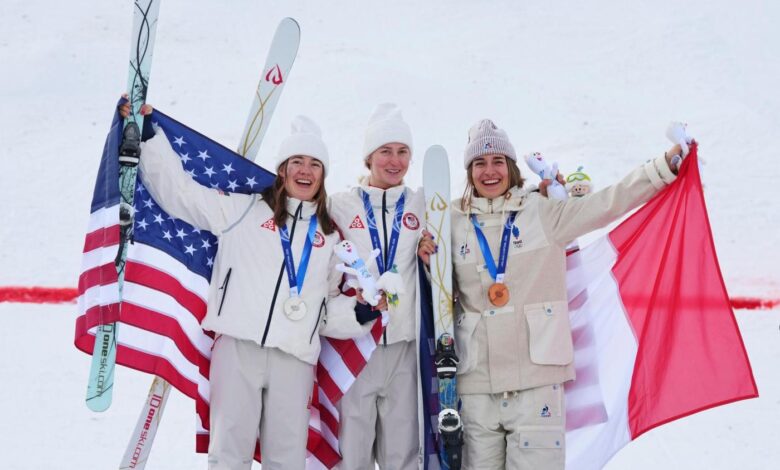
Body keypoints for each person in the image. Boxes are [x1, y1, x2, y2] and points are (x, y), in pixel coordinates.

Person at [119, 102, 376, 470]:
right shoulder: (244, 210)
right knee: (229, 454)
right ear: (282, 170)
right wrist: (148, 137)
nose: (305, 171)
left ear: (323, 175)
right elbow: (182, 195)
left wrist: (358, 314)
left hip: (295, 360)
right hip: (238, 349)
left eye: (314, 164)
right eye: (297, 162)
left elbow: (324, 309)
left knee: (287, 459)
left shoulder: (329, 237)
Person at [418, 118, 683, 469]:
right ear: (469, 172)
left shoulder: (543, 212)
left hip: (536, 382)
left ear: (511, 168)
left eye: (498, 161)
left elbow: (608, 203)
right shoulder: (450, 221)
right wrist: (425, 260)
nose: (489, 171)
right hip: (476, 385)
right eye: (479, 164)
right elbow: (440, 296)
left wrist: (663, 167)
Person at [329, 103, 426, 469]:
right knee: (351, 453)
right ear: (369, 157)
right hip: (355, 348)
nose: (395, 161)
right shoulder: (340, 205)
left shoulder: (423, 203)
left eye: (403, 152)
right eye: (385, 151)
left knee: (401, 455)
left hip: (403, 348)